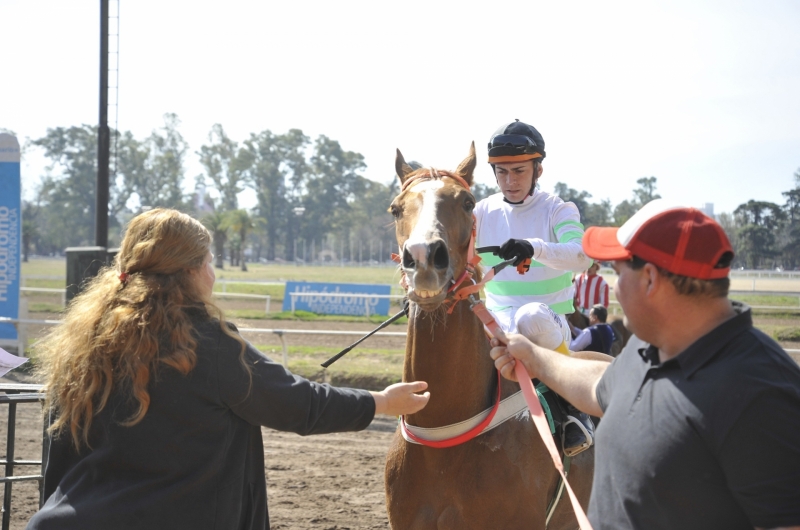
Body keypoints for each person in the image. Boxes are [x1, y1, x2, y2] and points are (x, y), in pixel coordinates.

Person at [27, 209, 429, 530]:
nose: (213, 273)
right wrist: (380, 401)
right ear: (190, 271)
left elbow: (56, 453)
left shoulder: (81, 344)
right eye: (209, 261)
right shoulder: (207, 344)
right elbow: (296, 404)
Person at [489, 199, 800, 530]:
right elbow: (603, 385)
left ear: (650, 279)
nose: (613, 289)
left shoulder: (761, 393)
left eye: (619, 274)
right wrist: (535, 358)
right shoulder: (655, 343)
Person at [474, 119, 595, 456]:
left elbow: (582, 256)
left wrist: (535, 248)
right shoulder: (481, 212)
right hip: (496, 321)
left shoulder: (559, 209)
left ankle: (573, 408)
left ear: (537, 170)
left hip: (547, 324)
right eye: (501, 172)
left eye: (519, 171)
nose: (509, 181)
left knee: (530, 316)